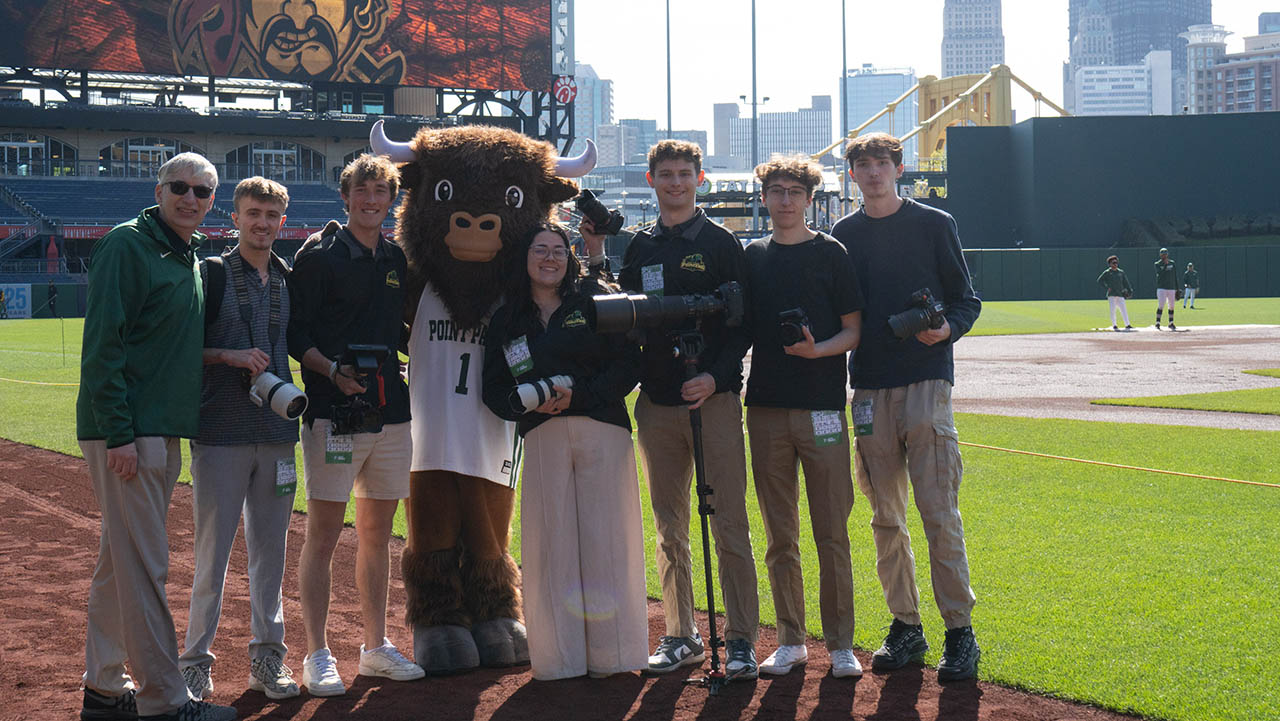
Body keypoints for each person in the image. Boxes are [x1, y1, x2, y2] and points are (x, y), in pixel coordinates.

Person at [582, 139, 760, 680]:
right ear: (652, 180)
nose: (676, 183)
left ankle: (741, 640)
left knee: (729, 525)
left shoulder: (722, 243)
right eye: (666, 174)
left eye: (685, 173)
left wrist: (715, 377)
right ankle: (682, 634)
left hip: (715, 400)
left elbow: (743, 325)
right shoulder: (640, 246)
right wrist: (595, 255)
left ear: (699, 179)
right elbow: (622, 318)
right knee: (669, 526)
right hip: (657, 403)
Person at [76, 152, 237, 720]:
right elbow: (103, 345)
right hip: (130, 432)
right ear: (159, 190)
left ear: (212, 201)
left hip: (157, 429)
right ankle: (165, 700)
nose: (191, 198)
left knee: (119, 562)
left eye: (203, 191)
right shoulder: (128, 244)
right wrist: (118, 433)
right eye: (180, 187)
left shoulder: (183, 252)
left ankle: (104, 688)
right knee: (146, 566)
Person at [831, 132, 983, 682]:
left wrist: (946, 329)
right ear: (852, 174)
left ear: (899, 168)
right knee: (885, 517)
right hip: (870, 387)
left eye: (881, 163)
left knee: (938, 512)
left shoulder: (934, 224)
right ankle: (906, 625)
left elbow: (966, 301)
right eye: (862, 164)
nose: (873, 172)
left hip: (925, 380)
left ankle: (960, 632)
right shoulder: (843, 236)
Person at [481, 223, 647, 681]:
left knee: (607, 540)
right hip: (542, 434)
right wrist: (526, 404)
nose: (549, 258)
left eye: (557, 250)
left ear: (570, 257)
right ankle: (558, 660)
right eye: (540, 250)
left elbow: (628, 363)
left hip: (602, 428)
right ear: (525, 258)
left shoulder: (593, 300)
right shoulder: (507, 318)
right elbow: (493, 389)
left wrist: (582, 395)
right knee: (550, 545)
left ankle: (615, 654)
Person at [287, 154, 424, 696]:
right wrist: (331, 372)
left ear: (392, 200)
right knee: (323, 535)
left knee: (377, 535)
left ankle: (374, 647)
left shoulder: (396, 258)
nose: (371, 200)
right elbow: (296, 336)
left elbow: (404, 329)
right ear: (345, 197)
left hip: (391, 414)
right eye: (362, 191)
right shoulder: (318, 256)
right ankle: (317, 654)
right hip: (333, 415)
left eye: (380, 192)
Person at [178, 177, 300, 703]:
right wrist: (227, 356)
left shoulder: (288, 279)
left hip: (277, 432)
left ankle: (268, 660)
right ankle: (194, 664)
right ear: (235, 219)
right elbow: (180, 345)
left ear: (282, 222)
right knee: (212, 557)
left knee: (271, 556)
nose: (262, 223)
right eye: (254, 213)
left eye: (271, 216)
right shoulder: (210, 273)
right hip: (221, 434)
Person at [742, 156, 864, 678]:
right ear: (764, 198)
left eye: (795, 191)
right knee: (780, 535)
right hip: (766, 408)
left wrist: (818, 351)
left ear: (810, 198)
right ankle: (791, 639)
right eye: (777, 191)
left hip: (823, 408)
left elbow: (853, 330)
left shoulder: (832, 253)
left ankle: (841, 645)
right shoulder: (753, 256)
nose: (786, 200)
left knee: (832, 532)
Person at [1096, 255, 1133, 331]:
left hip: (1120, 294)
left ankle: (1127, 324)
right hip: (1111, 294)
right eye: (1113, 263)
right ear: (1110, 264)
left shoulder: (1121, 272)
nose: (1115, 264)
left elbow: (1126, 282)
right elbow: (1100, 280)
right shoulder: (1107, 272)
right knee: (1112, 310)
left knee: (1124, 310)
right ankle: (1114, 325)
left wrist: (1130, 291)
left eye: (1116, 262)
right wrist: (1107, 287)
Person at [1154, 248, 1177, 330]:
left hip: (1171, 287)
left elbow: (1175, 276)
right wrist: (1165, 265)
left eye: (1165, 254)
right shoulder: (1157, 264)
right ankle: (1157, 322)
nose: (1164, 256)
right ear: (1160, 255)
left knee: (1171, 306)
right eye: (1163, 254)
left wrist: (1177, 288)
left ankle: (1171, 322)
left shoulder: (1172, 263)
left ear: (1167, 254)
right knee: (1161, 305)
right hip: (1161, 287)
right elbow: (1160, 273)